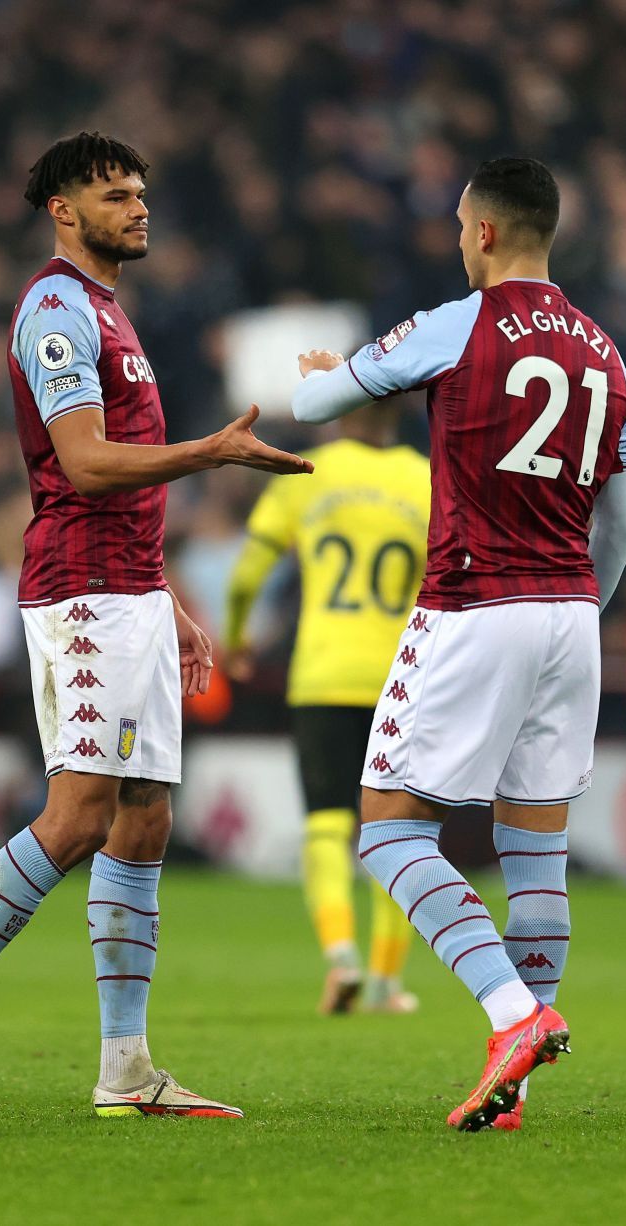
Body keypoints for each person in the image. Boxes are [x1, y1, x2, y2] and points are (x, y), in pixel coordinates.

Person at [0, 131, 311, 1124]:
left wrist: (173, 604)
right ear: (63, 210)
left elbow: (125, 489)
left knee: (144, 818)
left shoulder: (112, 312)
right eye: (116, 194)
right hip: (82, 594)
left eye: (142, 192)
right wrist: (212, 453)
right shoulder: (57, 308)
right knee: (76, 817)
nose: (138, 206)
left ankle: (126, 1067)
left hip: (132, 592)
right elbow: (83, 464)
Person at [292, 157, 626, 1132]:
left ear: (484, 231)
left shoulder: (460, 321)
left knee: (390, 831)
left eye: (458, 225)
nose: (455, 239)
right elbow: (621, 524)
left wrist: (331, 372)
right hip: (574, 614)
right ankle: (516, 1087)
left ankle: (512, 1016)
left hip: (473, 602)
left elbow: (320, 407)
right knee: (538, 857)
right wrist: (584, 611)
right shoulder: (610, 356)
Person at [223, 401, 432, 1015]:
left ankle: (340, 956)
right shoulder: (425, 478)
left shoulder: (307, 471)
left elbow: (245, 576)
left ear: (340, 415)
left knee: (326, 822)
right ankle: (387, 982)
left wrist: (235, 638)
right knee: (397, 827)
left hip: (321, 672)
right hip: (401, 677)